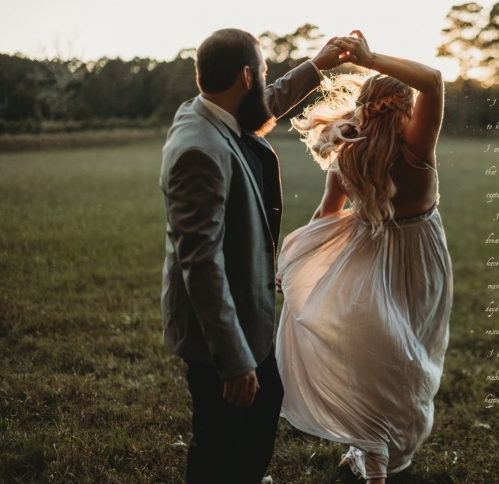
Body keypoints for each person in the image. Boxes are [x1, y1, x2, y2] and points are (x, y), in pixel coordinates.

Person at [159, 28, 353, 483]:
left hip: (246, 314)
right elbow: (201, 265)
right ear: (246, 75)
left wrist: (318, 64)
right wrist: (235, 360)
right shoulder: (198, 151)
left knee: (262, 411)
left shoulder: (210, 112)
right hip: (219, 336)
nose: (266, 81)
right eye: (263, 72)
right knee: (218, 441)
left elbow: (265, 103)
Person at [275, 31, 453, 484]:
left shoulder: (347, 154)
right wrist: (373, 58)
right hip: (422, 260)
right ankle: (387, 456)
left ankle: (370, 454)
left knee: (369, 358)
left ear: (365, 104)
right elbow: (433, 80)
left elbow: (324, 216)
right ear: (406, 108)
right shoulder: (417, 149)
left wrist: (297, 266)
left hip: (366, 262)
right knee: (413, 353)